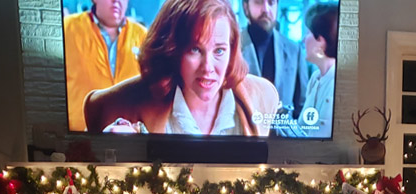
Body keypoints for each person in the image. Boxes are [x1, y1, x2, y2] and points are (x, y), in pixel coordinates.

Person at [84, 0, 279, 136]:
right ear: (171, 49)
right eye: (195, 49)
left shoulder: (263, 97)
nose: (208, 67)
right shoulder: (114, 106)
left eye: (219, 51)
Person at [63, 0, 147, 132]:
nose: (117, 1)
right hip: (79, 139)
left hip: (130, 140)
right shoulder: (67, 28)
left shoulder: (143, 36)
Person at [239, 0, 307, 126]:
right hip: (242, 138)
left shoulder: (293, 50)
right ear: (245, 7)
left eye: (271, 3)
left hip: (283, 140)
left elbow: (301, 106)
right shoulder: (231, 47)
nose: (266, 9)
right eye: (258, 2)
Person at [298, 3, 338, 138]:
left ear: (321, 41)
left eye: (308, 33)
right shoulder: (315, 78)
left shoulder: (337, 82)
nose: (304, 40)